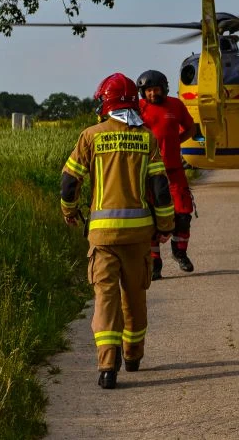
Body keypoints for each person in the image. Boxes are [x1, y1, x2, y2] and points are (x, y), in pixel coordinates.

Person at [60, 73, 175, 390]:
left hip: (102, 238)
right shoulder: (146, 139)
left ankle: (108, 367)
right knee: (135, 298)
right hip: (138, 237)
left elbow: (69, 182)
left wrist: (69, 210)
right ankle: (133, 355)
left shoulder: (90, 136)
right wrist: (165, 226)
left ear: (104, 103)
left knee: (105, 299)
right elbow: (160, 190)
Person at [136, 69, 197, 279]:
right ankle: (155, 263)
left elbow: (191, 128)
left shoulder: (175, 105)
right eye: (148, 91)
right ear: (143, 92)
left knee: (183, 215)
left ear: (164, 89)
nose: (152, 94)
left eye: (156, 89)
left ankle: (179, 252)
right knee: (152, 218)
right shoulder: (137, 109)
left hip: (174, 171)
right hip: (149, 173)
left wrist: (175, 143)